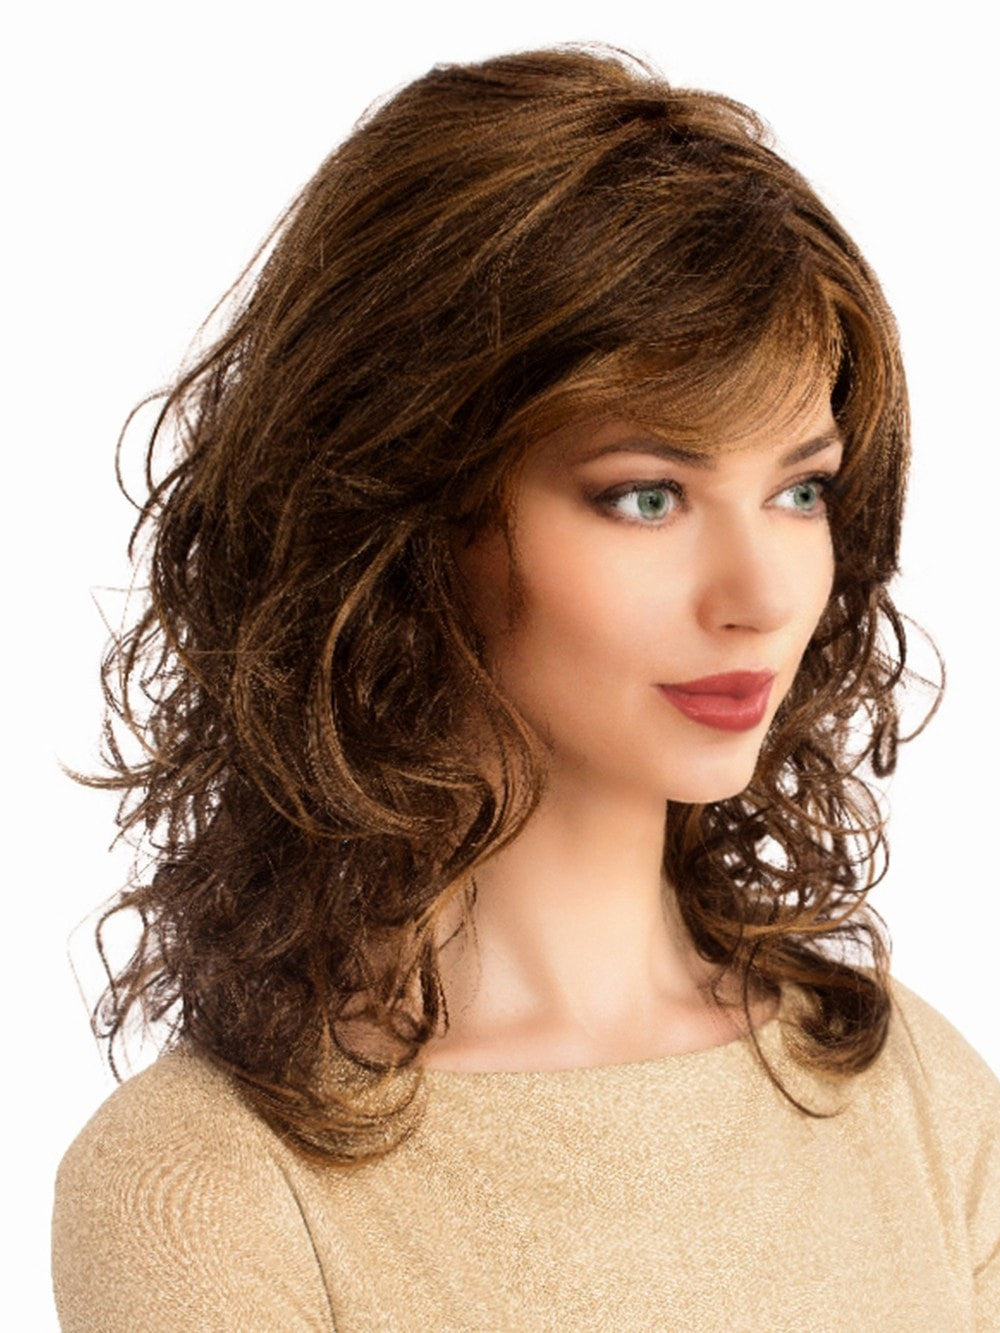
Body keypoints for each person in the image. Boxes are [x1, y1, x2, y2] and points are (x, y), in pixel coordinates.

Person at [51, 44, 999, 1330]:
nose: (760, 593)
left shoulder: (919, 1098)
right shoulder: (210, 1186)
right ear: (404, 514)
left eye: (798, 490)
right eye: (646, 496)